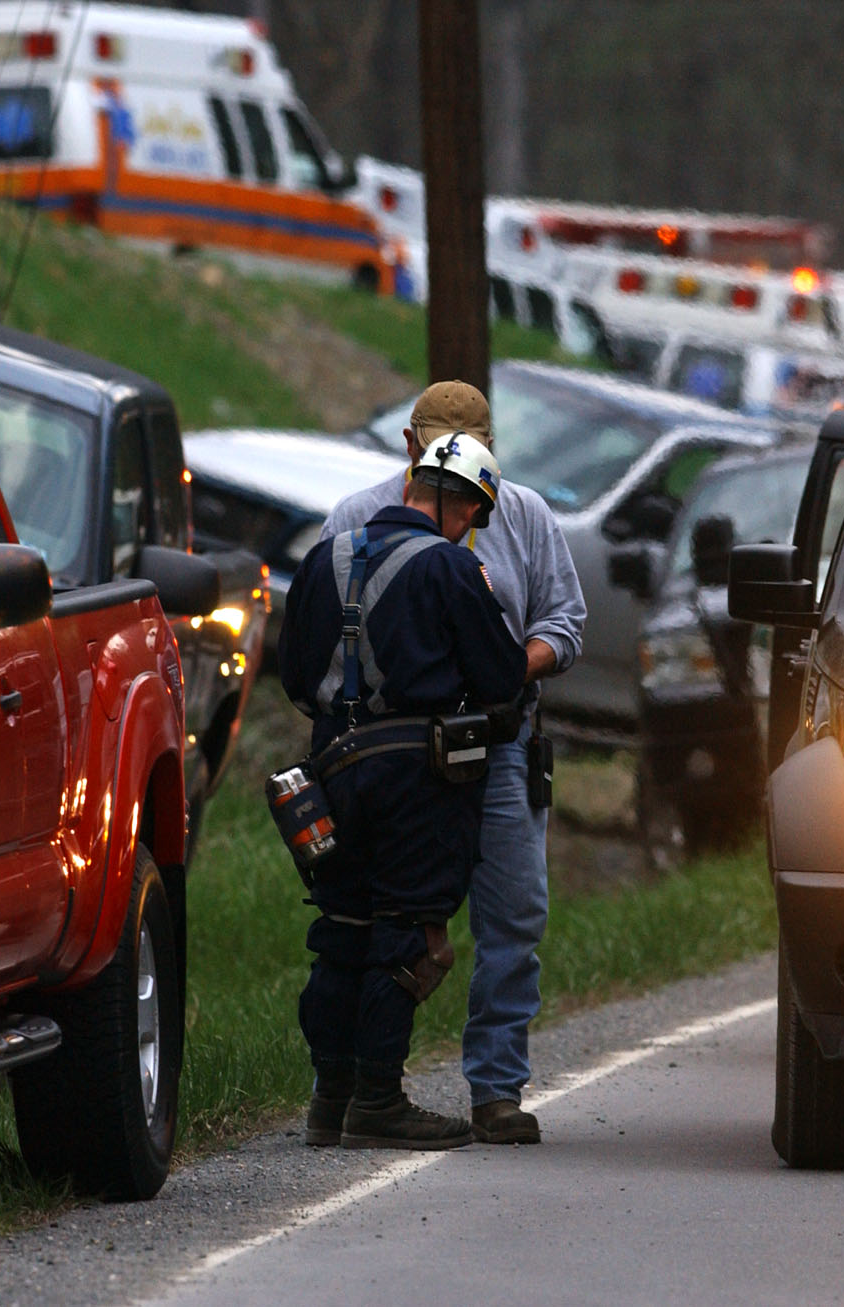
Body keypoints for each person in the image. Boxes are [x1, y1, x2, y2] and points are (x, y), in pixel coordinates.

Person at [323, 381, 586, 1145]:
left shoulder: (526, 517)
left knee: (513, 914)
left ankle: (496, 1087)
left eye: (468, 452)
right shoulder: (355, 518)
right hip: (395, 748)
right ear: (408, 443)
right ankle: (352, 1083)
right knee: (374, 915)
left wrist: (512, 668)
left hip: (496, 744)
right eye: (435, 446)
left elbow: (564, 621)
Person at [280, 434, 528, 1150]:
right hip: (416, 779)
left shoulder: (323, 559)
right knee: (407, 934)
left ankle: (330, 1099)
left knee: (341, 932)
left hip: (328, 770)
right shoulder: (452, 568)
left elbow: (296, 678)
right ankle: (380, 1100)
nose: (469, 527)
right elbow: (502, 677)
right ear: (460, 503)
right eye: (473, 514)